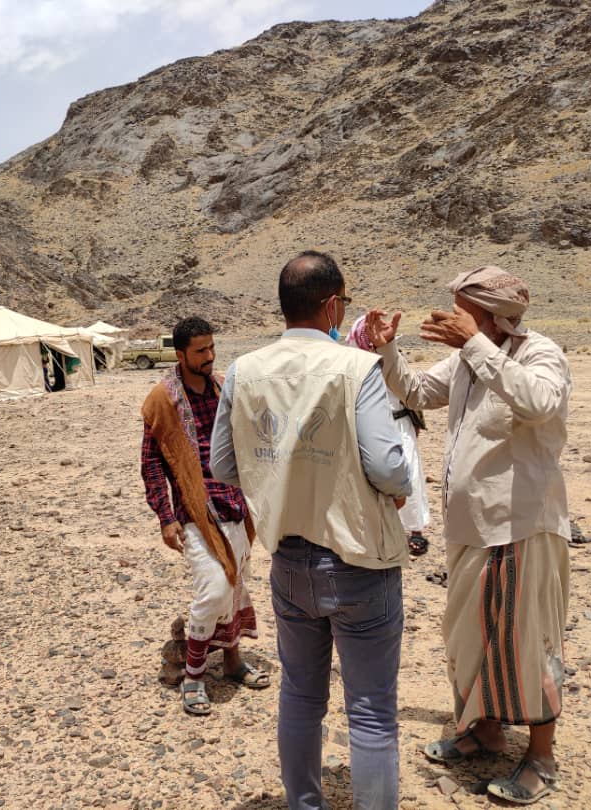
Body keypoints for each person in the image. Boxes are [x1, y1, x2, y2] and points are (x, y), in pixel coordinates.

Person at [364, 265, 571, 806]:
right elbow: (414, 391)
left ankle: (541, 756)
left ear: (492, 315)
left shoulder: (540, 354)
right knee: (468, 636)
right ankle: (486, 729)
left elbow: (539, 403)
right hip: (471, 526)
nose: (454, 318)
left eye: (464, 309)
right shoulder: (466, 359)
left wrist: (475, 344)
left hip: (518, 526)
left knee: (523, 642)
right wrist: (387, 353)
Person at [211, 251, 411, 810]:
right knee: (370, 710)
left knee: (301, 696)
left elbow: (224, 464)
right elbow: (390, 467)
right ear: (330, 306)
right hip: (358, 562)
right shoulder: (356, 369)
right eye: (343, 304)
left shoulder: (244, 370)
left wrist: (277, 467)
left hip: (289, 561)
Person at [140, 316, 268, 717]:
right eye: (200, 351)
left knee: (236, 583)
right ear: (180, 354)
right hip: (194, 510)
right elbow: (151, 463)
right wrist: (165, 516)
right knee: (213, 589)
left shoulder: (221, 387)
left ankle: (231, 663)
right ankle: (194, 675)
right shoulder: (161, 401)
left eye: (212, 348)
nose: (210, 356)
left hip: (234, 503)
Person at [347, 314, 433, 556]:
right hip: (368, 428)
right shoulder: (354, 364)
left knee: (410, 474)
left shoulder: (392, 359)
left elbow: (410, 390)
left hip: (400, 424)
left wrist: (414, 423)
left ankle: (414, 530)